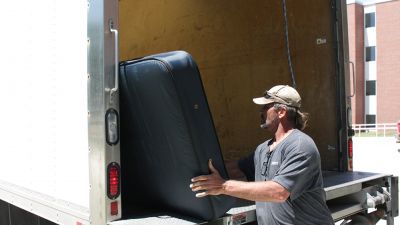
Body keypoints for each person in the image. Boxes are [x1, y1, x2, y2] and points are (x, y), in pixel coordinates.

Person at [190, 85, 334, 225]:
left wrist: (223, 186)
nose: (261, 111)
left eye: (266, 107)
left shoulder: (300, 146)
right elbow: (235, 168)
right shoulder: (263, 149)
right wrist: (199, 168)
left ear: (281, 112)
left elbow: (279, 192)